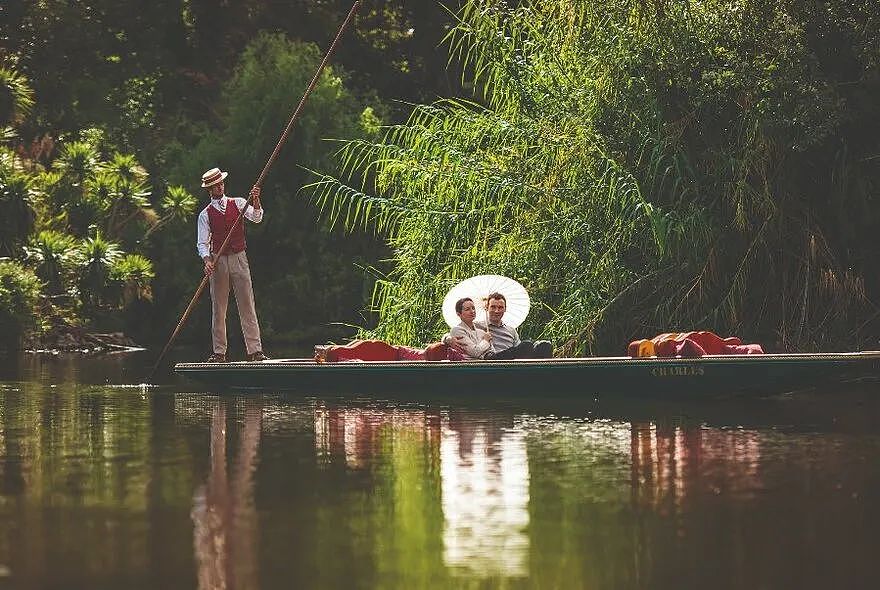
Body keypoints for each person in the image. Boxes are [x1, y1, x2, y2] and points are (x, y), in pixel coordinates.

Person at [197, 167, 269, 362]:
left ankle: (255, 351)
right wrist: (207, 261)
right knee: (219, 308)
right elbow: (202, 244)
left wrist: (255, 199)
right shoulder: (205, 215)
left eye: (220, 184)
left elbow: (257, 217)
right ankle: (219, 353)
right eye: (215, 186)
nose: (219, 187)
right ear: (209, 190)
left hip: (239, 257)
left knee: (247, 303)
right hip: (218, 261)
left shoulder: (238, 203)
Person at [443, 292, 553, 359]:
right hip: (495, 360)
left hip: (513, 358)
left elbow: (519, 348)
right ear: (487, 308)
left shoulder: (511, 330)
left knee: (544, 345)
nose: (496, 311)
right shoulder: (478, 326)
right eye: (493, 307)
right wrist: (447, 339)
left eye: (500, 307)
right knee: (527, 344)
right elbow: (459, 331)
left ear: (505, 309)